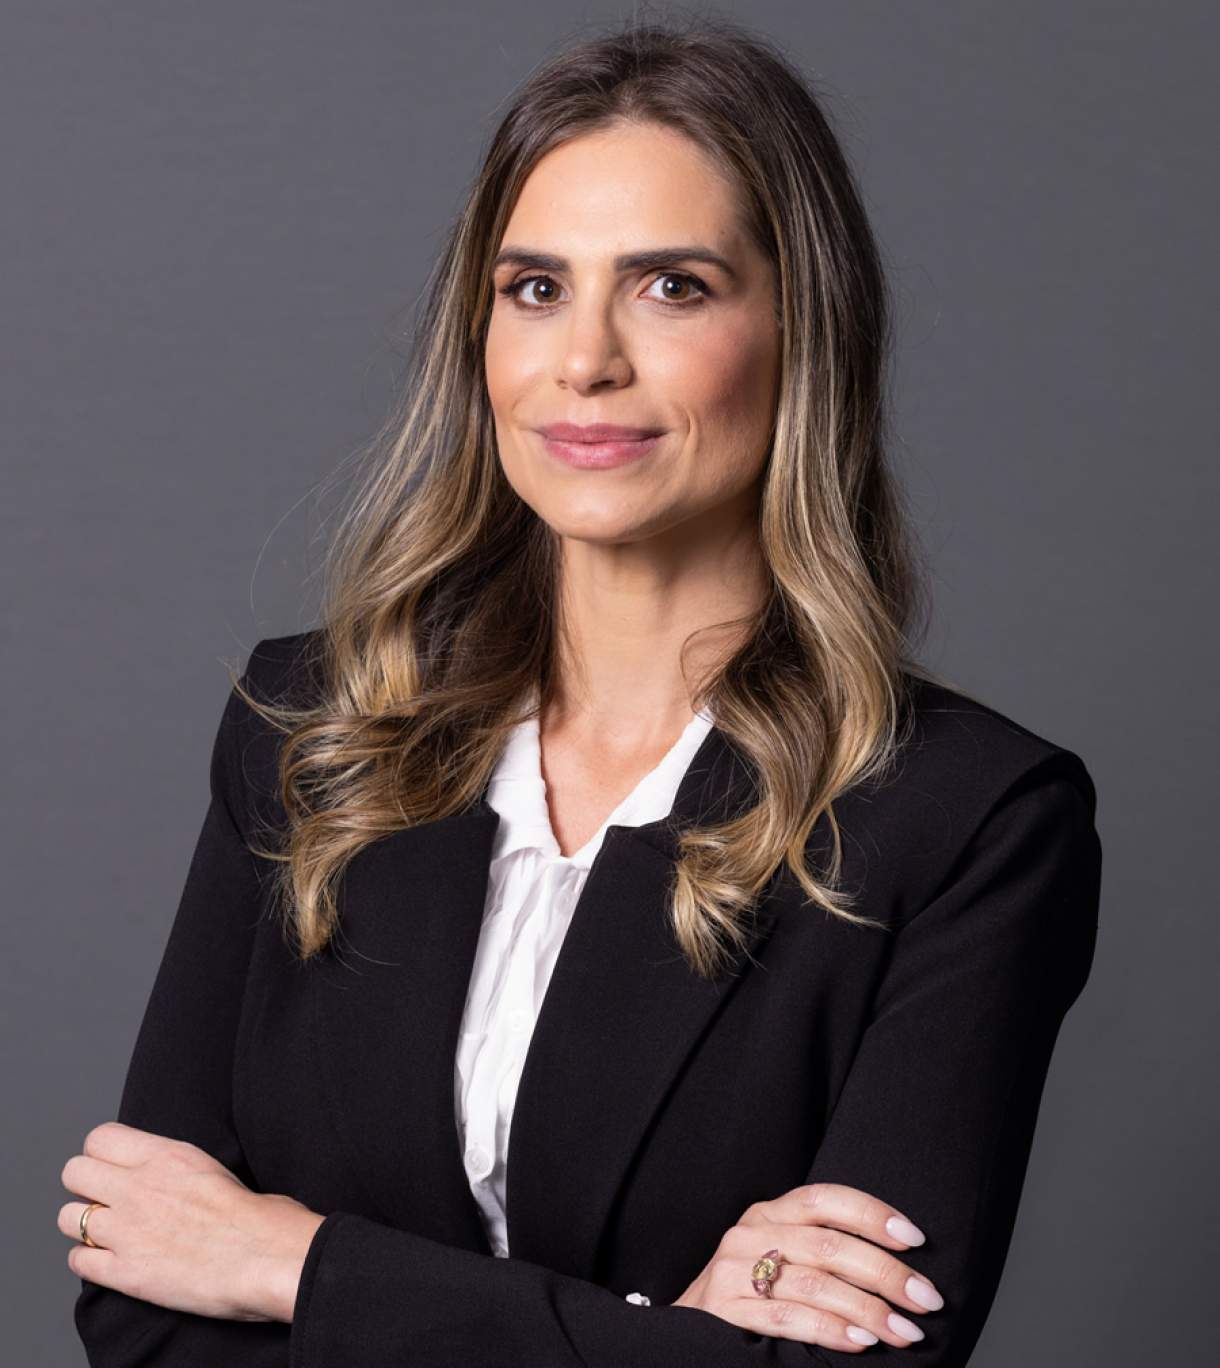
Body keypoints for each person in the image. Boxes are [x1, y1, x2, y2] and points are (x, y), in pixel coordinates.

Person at [61, 15, 1102, 1367]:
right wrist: (661, 1334)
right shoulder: (309, 729)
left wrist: (288, 1265)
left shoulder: (968, 821)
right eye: (537, 288)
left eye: (672, 286)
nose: (585, 359)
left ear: (801, 331)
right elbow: (141, 1298)